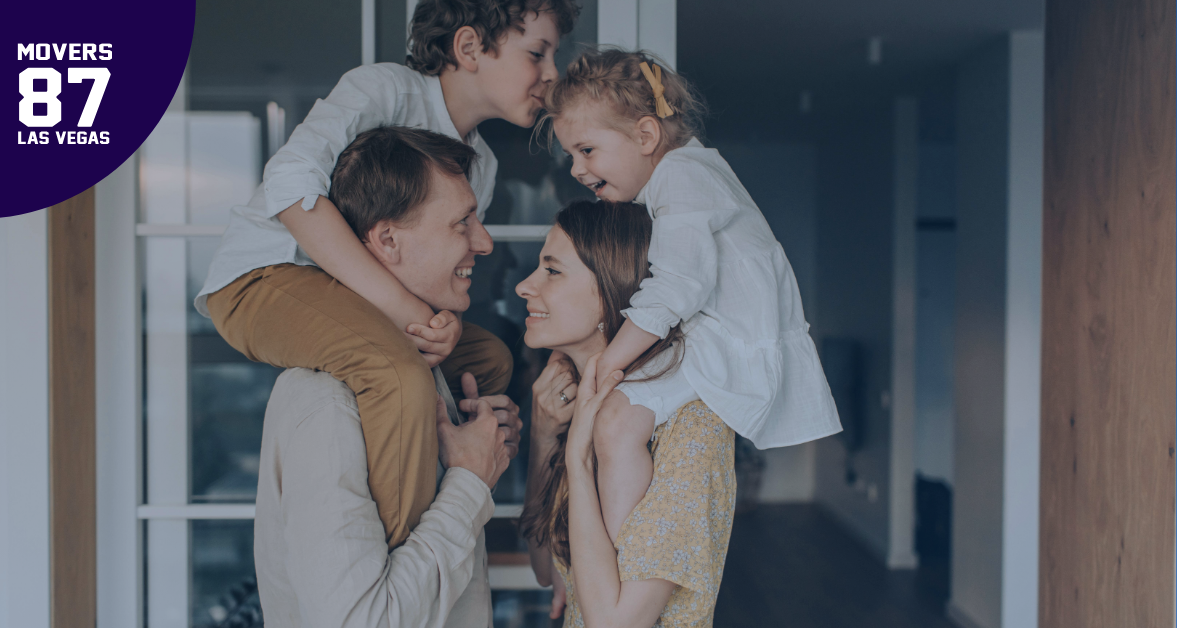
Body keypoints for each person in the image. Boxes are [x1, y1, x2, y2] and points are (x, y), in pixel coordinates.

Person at [196, 0, 580, 548]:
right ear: (469, 48)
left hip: (361, 301)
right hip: (265, 278)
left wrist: (441, 319)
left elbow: (432, 272)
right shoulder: (385, 90)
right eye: (537, 53)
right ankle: (398, 561)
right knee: (394, 371)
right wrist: (410, 313)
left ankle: (444, 489)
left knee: (488, 358)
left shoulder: (484, 166)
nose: (552, 73)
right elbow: (289, 185)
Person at [538, 48, 842, 542]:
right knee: (617, 420)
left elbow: (677, 287)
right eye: (571, 154)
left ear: (645, 135)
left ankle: (618, 558)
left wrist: (606, 366)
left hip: (728, 340)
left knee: (615, 420)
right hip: (715, 334)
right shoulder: (687, 173)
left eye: (586, 150)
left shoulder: (681, 175)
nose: (576, 168)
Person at [254, 126, 523, 628]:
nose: (483, 243)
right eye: (462, 223)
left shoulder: (428, 370)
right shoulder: (329, 402)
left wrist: (479, 450)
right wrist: (467, 484)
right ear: (388, 240)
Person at [518, 201, 735, 627]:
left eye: (552, 270)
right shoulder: (578, 404)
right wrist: (545, 439)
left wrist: (578, 460)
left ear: (609, 293)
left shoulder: (692, 426)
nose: (524, 286)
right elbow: (546, 568)